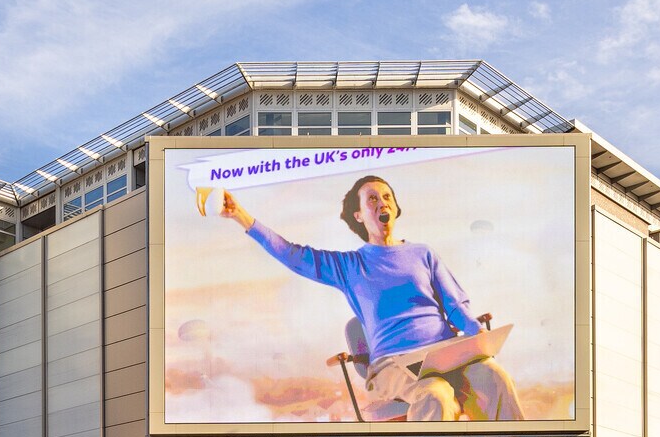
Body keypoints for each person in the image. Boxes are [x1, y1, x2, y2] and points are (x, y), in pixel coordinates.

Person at [215, 176, 523, 422]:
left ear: (395, 209)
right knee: (436, 393)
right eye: (372, 199)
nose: (381, 203)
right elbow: (293, 255)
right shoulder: (350, 266)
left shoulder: (423, 253)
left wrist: (477, 339)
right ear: (359, 215)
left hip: (445, 353)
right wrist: (242, 216)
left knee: (494, 377)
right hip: (393, 366)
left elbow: (456, 305)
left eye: (386, 197)